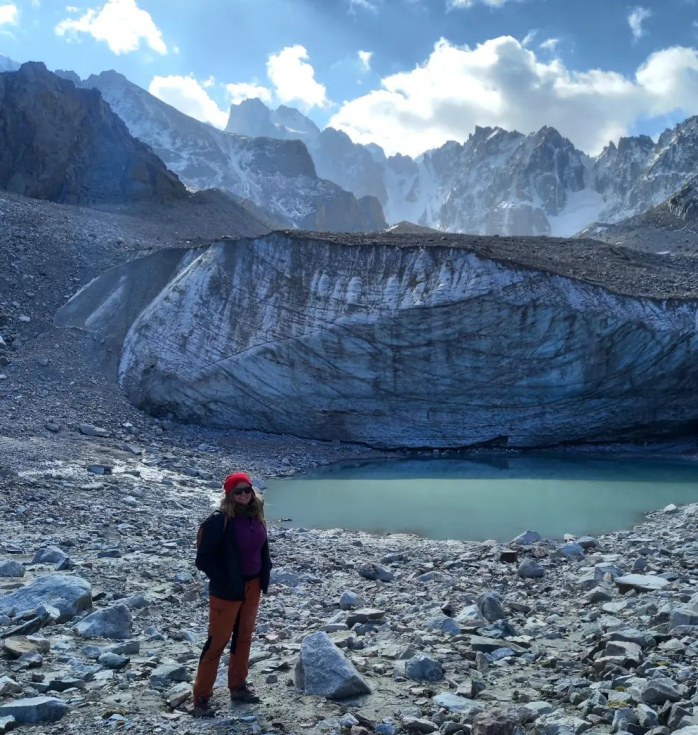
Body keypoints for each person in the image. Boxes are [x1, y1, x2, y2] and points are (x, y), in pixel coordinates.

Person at [192, 471, 272, 717]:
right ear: (229, 494)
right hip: (227, 591)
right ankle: (201, 697)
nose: (244, 494)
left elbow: (260, 549)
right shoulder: (219, 520)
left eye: (247, 489)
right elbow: (203, 559)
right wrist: (225, 579)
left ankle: (238, 686)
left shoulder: (255, 515)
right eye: (238, 491)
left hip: (253, 586)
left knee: (244, 638)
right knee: (217, 642)